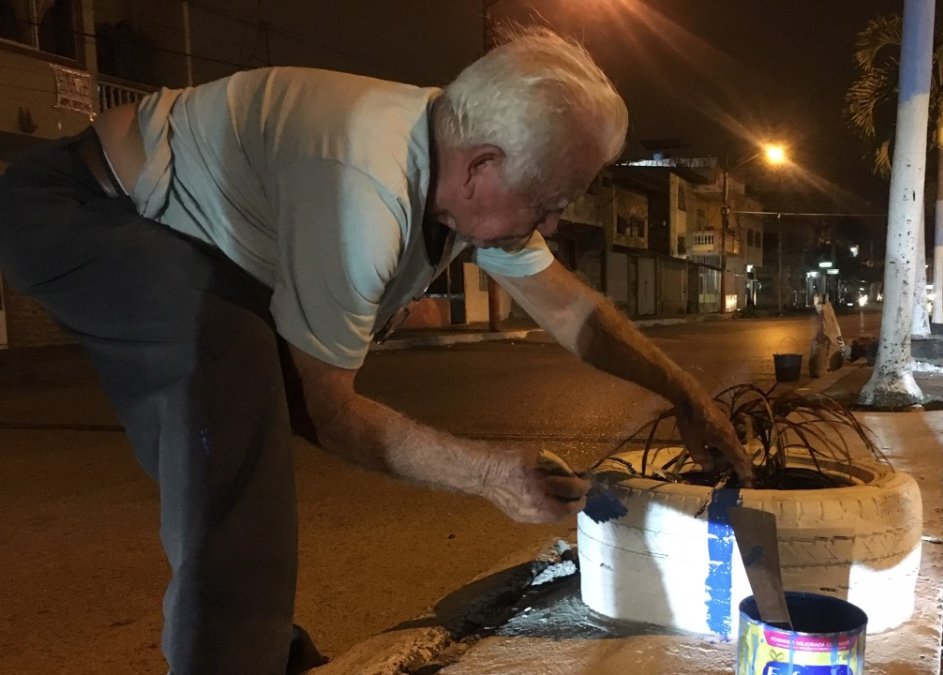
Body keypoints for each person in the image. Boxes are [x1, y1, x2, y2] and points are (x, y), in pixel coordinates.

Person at [0, 28, 752, 675]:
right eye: (550, 201)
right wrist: (488, 472)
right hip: (78, 209)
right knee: (231, 378)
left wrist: (685, 393)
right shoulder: (364, 184)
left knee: (244, 400)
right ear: (480, 167)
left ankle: (256, 646)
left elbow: (570, 309)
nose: (551, 226)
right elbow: (326, 408)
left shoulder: (460, 162)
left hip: (186, 236)